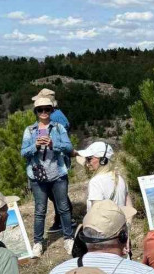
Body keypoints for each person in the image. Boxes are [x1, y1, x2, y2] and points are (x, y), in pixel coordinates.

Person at [21, 96, 75, 257]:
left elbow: (68, 147)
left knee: (63, 208)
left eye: (47, 109)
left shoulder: (58, 128)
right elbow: (23, 152)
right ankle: (38, 242)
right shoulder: (29, 131)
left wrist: (53, 144)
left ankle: (69, 238)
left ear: (52, 110)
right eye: (40, 109)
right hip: (37, 176)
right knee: (40, 210)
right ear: (36, 112)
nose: (44, 112)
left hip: (58, 173)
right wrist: (35, 146)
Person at [32, 88, 75, 235]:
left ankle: (65, 220)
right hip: (55, 158)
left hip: (57, 159)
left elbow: (58, 141)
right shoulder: (57, 114)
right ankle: (63, 219)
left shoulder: (55, 118)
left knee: (56, 193)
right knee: (56, 192)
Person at [75, 141, 130, 210]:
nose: (87, 163)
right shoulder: (120, 178)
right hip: (120, 220)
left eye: (89, 159)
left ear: (103, 160)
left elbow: (97, 213)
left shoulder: (96, 182)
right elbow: (129, 207)